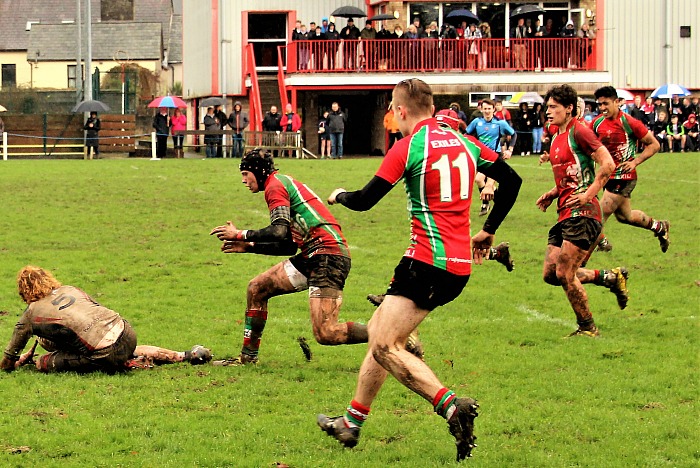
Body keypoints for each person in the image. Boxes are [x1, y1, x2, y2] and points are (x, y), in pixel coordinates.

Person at [318, 78, 522, 461]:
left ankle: (450, 406)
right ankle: (351, 422)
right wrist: (489, 230)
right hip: (457, 266)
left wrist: (338, 195)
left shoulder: (409, 146)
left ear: (400, 111)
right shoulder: (465, 141)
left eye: (393, 111)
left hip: (426, 263)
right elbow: (512, 181)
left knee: (383, 345)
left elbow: (364, 201)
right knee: (382, 331)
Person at [209, 149, 368, 366]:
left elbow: (278, 231)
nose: (244, 180)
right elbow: (287, 245)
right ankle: (247, 358)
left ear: (258, 171)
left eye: (246, 173)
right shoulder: (279, 184)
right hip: (312, 255)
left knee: (326, 333)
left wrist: (240, 234)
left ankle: (395, 335)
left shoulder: (275, 186)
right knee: (257, 288)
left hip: (328, 256)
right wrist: (249, 246)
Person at [536, 84, 629, 338]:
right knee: (550, 274)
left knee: (565, 273)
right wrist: (553, 193)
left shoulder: (580, 131)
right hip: (565, 211)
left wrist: (589, 194)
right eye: (548, 107)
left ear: (569, 109)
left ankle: (588, 328)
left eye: (553, 107)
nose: (548, 111)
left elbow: (607, 164)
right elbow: (572, 175)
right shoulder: (557, 135)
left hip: (584, 212)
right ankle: (610, 277)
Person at [1, 266, 211, 374]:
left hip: (105, 352)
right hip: (126, 332)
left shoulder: (31, 313)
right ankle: (183, 355)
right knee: (113, 343)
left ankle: (130, 364)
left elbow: (9, 359)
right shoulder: (71, 289)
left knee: (42, 362)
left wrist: (19, 362)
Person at [590, 86, 669, 253]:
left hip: (624, 176)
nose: (602, 108)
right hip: (609, 176)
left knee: (597, 215)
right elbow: (586, 143)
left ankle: (584, 259)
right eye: (600, 104)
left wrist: (635, 162)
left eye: (606, 103)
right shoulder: (596, 123)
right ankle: (659, 227)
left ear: (617, 102)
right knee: (625, 216)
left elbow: (654, 145)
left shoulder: (629, 122)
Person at [467, 99, 517, 215]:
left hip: (495, 157)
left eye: (489, 109)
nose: (487, 111)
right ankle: (498, 204)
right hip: (482, 157)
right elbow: (467, 134)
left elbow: (513, 134)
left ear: (494, 109)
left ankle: (487, 205)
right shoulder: (476, 122)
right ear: (481, 109)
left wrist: (510, 150)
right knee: (479, 180)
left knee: (489, 184)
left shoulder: (500, 123)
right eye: (485, 108)